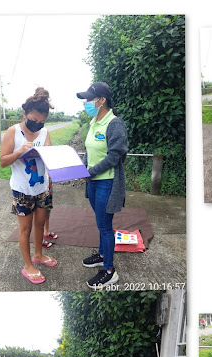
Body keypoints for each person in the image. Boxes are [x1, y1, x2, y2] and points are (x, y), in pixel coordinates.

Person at [0, 87, 56, 285]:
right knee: (25, 229)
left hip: (42, 188)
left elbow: (49, 158)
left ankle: (38, 255)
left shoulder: (45, 132)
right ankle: (28, 265)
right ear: (24, 113)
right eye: (33, 120)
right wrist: (19, 152)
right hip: (22, 190)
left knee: (40, 224)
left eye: (41, 122)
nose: (37, 125)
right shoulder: (13, 132)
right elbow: (3, 161)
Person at [76, 82, 128, 288]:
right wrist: (83, 168)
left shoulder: (114, 123)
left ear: (102, 100)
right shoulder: (93, 122)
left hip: (106, 181)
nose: (87, 103)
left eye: (90, 99)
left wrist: (91, 172)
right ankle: (101, 254)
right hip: (93, 182)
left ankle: (109, 270)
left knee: (105, 226)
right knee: (100, 222)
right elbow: (89, 150)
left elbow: (114, 156)